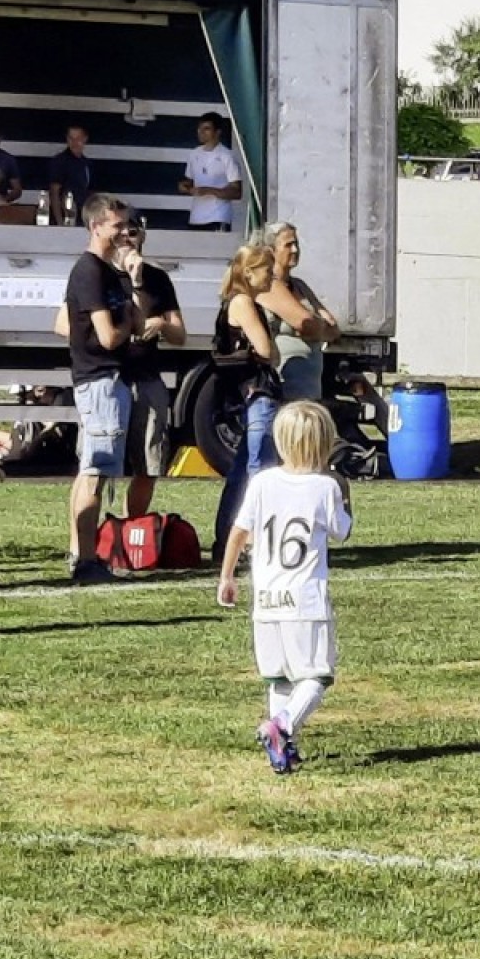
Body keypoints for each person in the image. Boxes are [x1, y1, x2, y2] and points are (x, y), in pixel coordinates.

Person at [217, 400, 353, 775]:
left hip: (266, 600)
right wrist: (344, 494)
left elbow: (239, 531)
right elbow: (342, 531)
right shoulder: (325, 486)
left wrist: (227, 576)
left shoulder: (262, 482)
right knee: (316, 675)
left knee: (278, 678)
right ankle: (283, 726)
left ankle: (282, 750)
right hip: (305, 600)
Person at [64, 195, 143, 584]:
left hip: (108, 380)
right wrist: (126, 323)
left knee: (92, 470)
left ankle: (83, 554)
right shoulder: (89, 271)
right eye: (117, 225)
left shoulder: (111, 272)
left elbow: (138, 322)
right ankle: (86, 559)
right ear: (96, 227)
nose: (124, 232)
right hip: (100, 379)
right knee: (96, 472)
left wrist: (135, 280)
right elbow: (110, 336)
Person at [210, 239, 288, 551]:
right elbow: (267, 351)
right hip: (258, 393)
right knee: (260, 467)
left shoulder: (232, 302)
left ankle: (226, 538)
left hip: (244, 392)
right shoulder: (243, 303)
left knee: (243, 467)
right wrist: (270, 349)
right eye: (267, 270)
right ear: (249, 272)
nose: (272, 276)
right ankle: (254, 538)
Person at [118, 217, 185, 519]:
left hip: (147, 377)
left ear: (143, 236)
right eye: (121, 233)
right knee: (99, 466)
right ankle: (95, 537)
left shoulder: (157, 279)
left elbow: (180, 335)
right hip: (110, 377)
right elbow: (65, 325)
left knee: (149, 464)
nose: (127, 238)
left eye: (133, 233)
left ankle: (131, 528)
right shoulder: (100, 276)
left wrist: (160, 323)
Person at [259, 222, 339, 403]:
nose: (295, 250)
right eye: (288, 245)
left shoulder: (299, 285)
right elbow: (306, 324)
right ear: (271, 251)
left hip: (310, 391)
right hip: (284, 391)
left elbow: (333, 328)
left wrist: (312, 326)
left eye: (296, 244)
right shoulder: (268, 285)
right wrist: (313, 326)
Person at [180, 112, 244, 231]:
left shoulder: (227, 156)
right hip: (196, 217)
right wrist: (185, 187)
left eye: (207, 129)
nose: (201, 132)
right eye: (199, 128)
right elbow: (189, 180)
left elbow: (237, 192)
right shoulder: (194, 154)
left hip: (218, 217)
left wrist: (209, 191)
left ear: (217, 132)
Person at [44, 124, 96, 225]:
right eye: (71, 138)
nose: (74, 142)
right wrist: (60, 223)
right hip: (64, 217)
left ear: (85, 139)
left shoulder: (87, 163)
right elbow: (54, 193)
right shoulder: (59, 162)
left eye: (78, 138)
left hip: (82, 216)